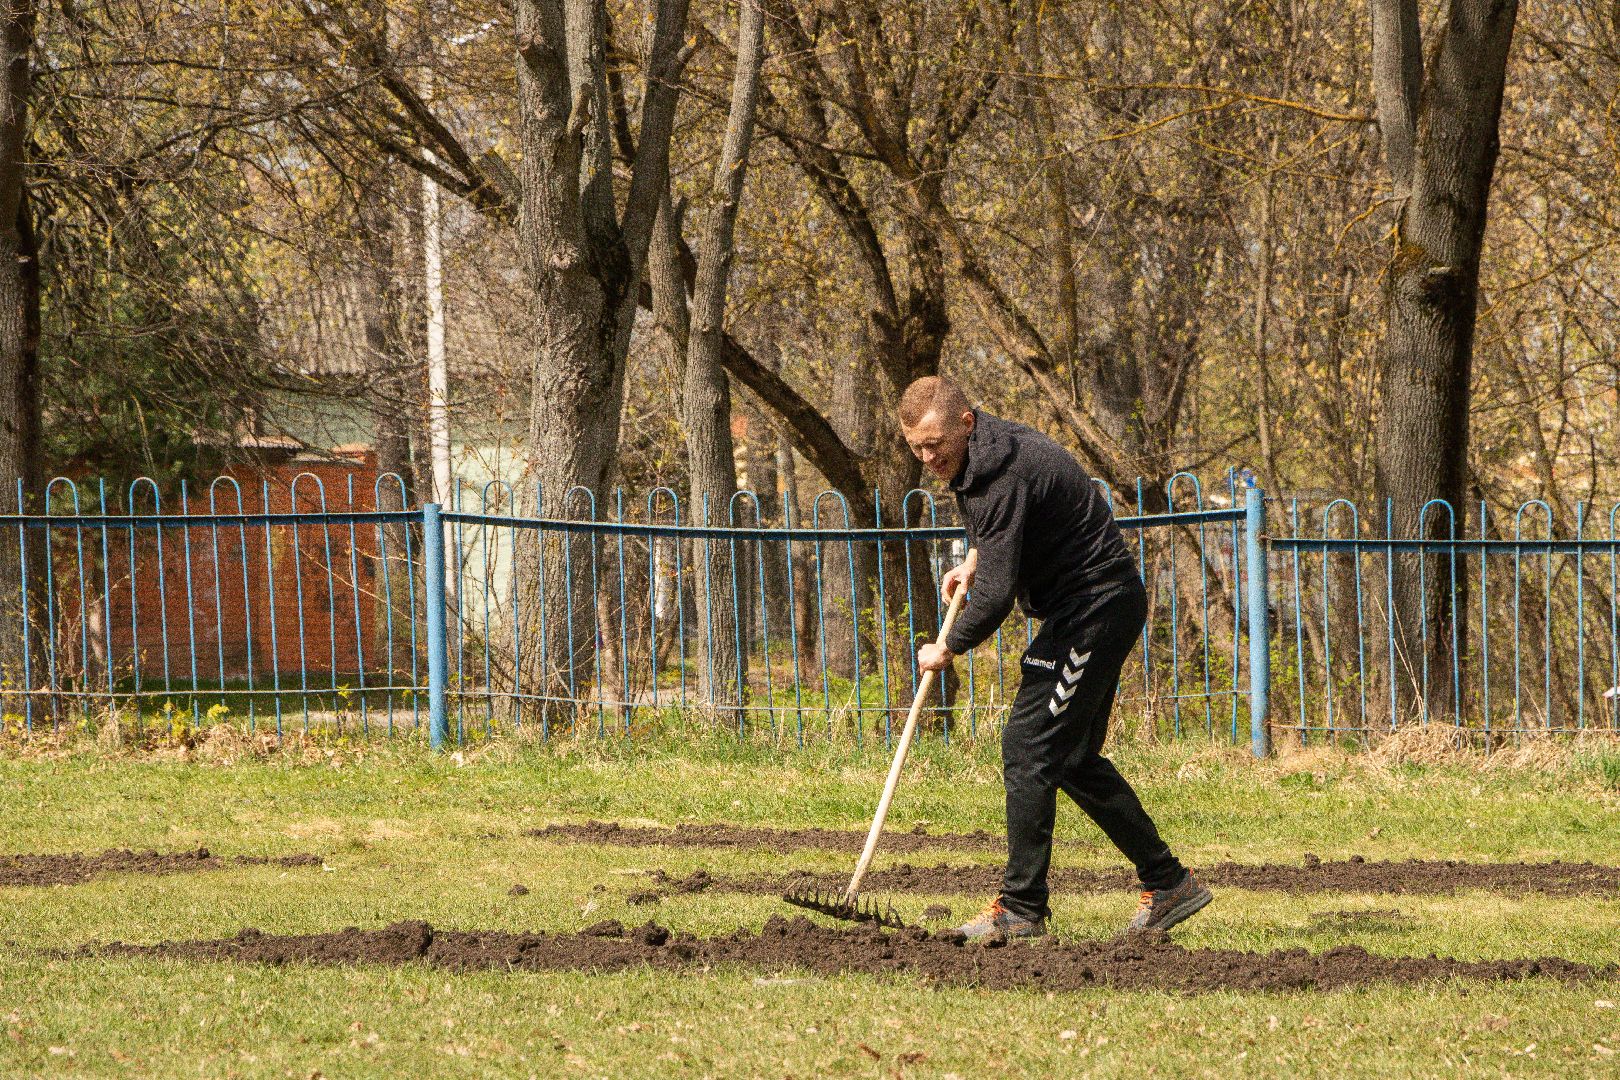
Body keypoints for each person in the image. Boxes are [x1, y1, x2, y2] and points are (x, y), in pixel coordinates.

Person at [901, 375, 1210, 940]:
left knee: (1028, 744)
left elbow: (996, 599)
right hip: (1088, 607)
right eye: (918, 448)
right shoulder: (984, 459)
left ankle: (1021, 908)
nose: (929, 457)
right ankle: (1168, 882)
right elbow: (1009, 541)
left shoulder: (1001, 474)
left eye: (936, 443)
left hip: (1094, 608)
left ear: (966, 422)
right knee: (1068, 758)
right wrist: (976, 560)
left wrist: (948, 646)